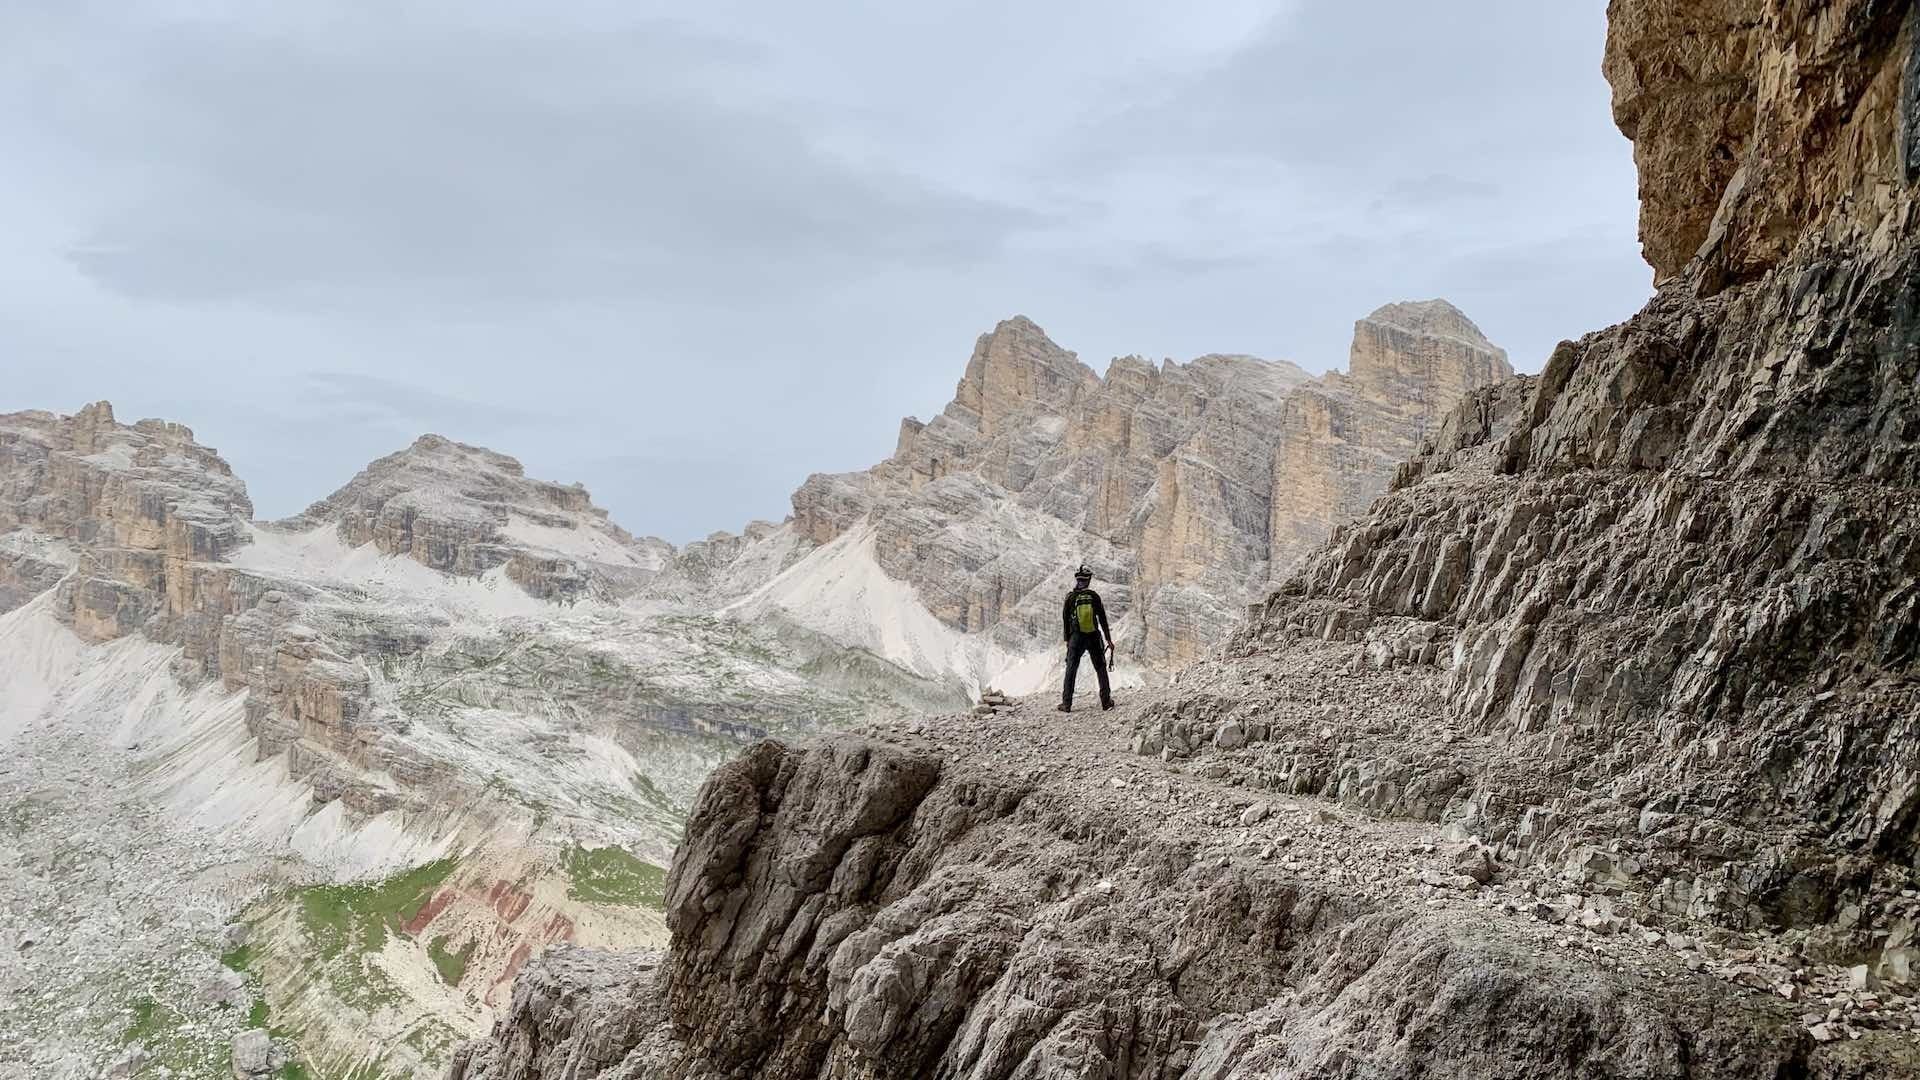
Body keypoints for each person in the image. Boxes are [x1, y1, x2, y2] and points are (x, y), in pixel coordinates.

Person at [1058, 564, 1114, 712]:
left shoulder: (1071, 597)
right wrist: (1109, 640)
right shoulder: (1094, 596)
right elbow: (1102, 619)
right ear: (1088, 580)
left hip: (1076, 637)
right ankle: (1106, 702)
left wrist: (1067, 640)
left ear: (1077, 579)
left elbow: (1065, 620)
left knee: (1071, 668)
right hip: (1094, 636)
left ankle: (1067, 704)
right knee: (1101, 668)